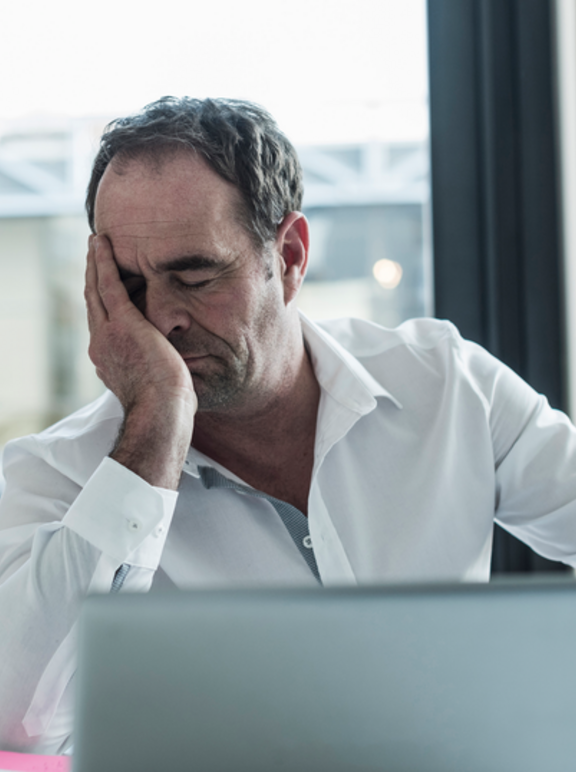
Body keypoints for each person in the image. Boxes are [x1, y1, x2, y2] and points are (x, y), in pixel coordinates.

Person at [2, 96, 576, 755]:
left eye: (194, 275)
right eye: (129, 287)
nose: (162, 319)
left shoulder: (446, 386)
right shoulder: (54, 475)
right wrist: (156, 424)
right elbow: (19, 722)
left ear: (292, 256)